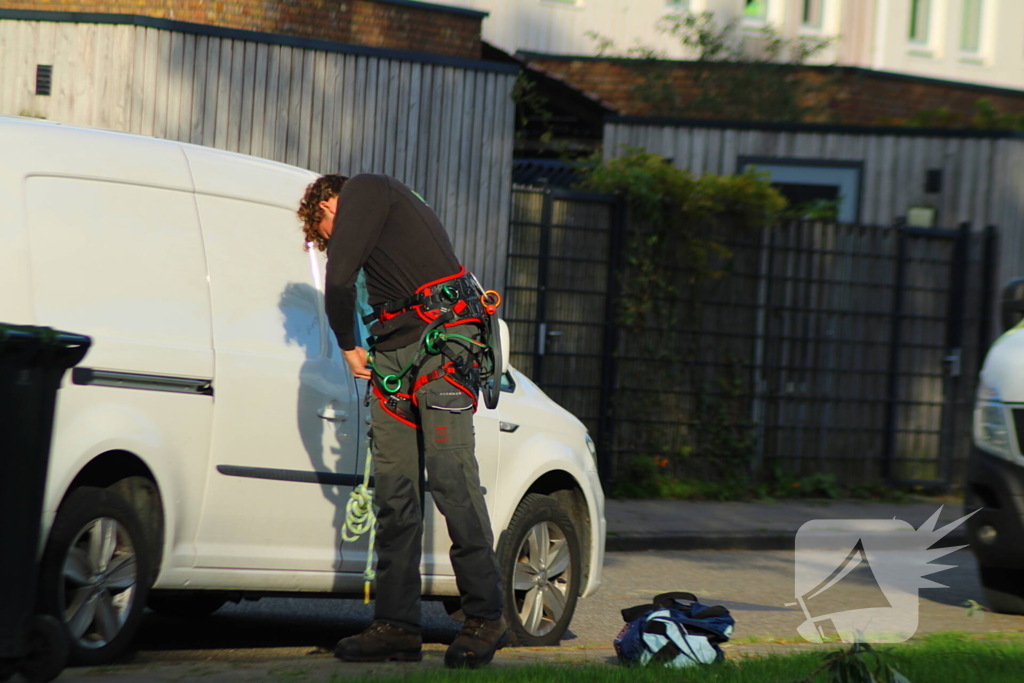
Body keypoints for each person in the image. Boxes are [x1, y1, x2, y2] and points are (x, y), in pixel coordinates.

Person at [297, 173, 507, 669]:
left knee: (453, 481)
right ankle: (397, 625)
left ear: (328, 205)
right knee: (394, 496)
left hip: (442, 345)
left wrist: (348, 346)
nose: (332, 244)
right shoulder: (377, 224)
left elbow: (339, 279)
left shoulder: (368, 189)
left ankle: (485, 617)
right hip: (393, 357)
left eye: (325, 233)